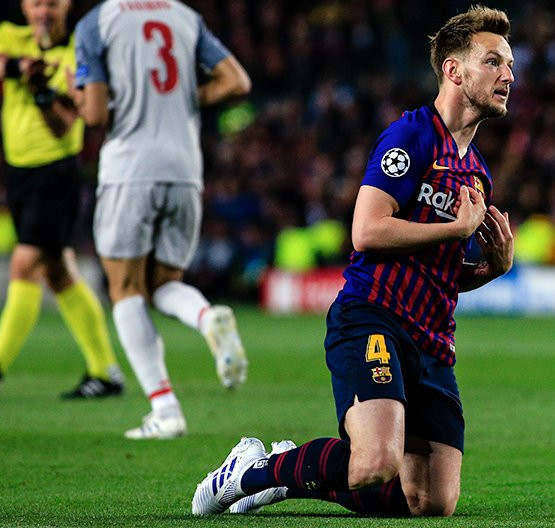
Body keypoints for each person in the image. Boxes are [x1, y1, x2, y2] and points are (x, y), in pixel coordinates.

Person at [192, 4, 515, 518]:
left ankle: (291, 468)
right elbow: (366, 231)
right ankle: (250, 473)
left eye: (510, 65)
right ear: (455, 71)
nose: (509, 75)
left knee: (432, 501)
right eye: (494, 62)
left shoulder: (476, 174)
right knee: (372, 464)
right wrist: (455, 228)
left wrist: (488, 271)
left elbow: (438, 274)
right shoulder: (411, 137)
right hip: (373, 317)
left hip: (432, 339)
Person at [71, 0, 252, 439]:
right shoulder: (185, 17)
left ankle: (165, 409)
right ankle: (207, 318)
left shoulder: (98, 22)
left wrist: (76, 95)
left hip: (129, 170)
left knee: (124, 287)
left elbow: (94, 114)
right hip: (184, 170)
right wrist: (186, 100)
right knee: (162, 282)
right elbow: (237, 81)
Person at [0, 0, 125, 401]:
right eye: (36, 3)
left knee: (25, 262)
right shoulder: (9, 36)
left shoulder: (78, 51)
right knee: (59, 273)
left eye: (51, 3)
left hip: (56, 172)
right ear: (25, 7)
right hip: (19, 174)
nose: (43, 11)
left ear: (66, 6)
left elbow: (66, 123)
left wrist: (43, 96)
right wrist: (22, 69)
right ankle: (105, 371)